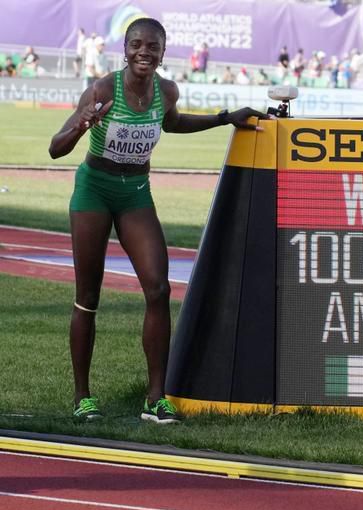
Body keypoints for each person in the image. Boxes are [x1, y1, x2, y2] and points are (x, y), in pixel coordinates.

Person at [47, 18, 271, 424]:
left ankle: (155, 397)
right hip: (94, 191)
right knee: (88, 297)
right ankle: (83, 396)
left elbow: (174, 122)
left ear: (164, 53)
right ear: (126, 49)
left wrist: (224, 118)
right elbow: (55, 149)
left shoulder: (166, 91)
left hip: (135, 192)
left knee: (158, 288)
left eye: (153, 46)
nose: (144, 52)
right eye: (136, 45)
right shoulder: (102, 89)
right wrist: (83, 124)